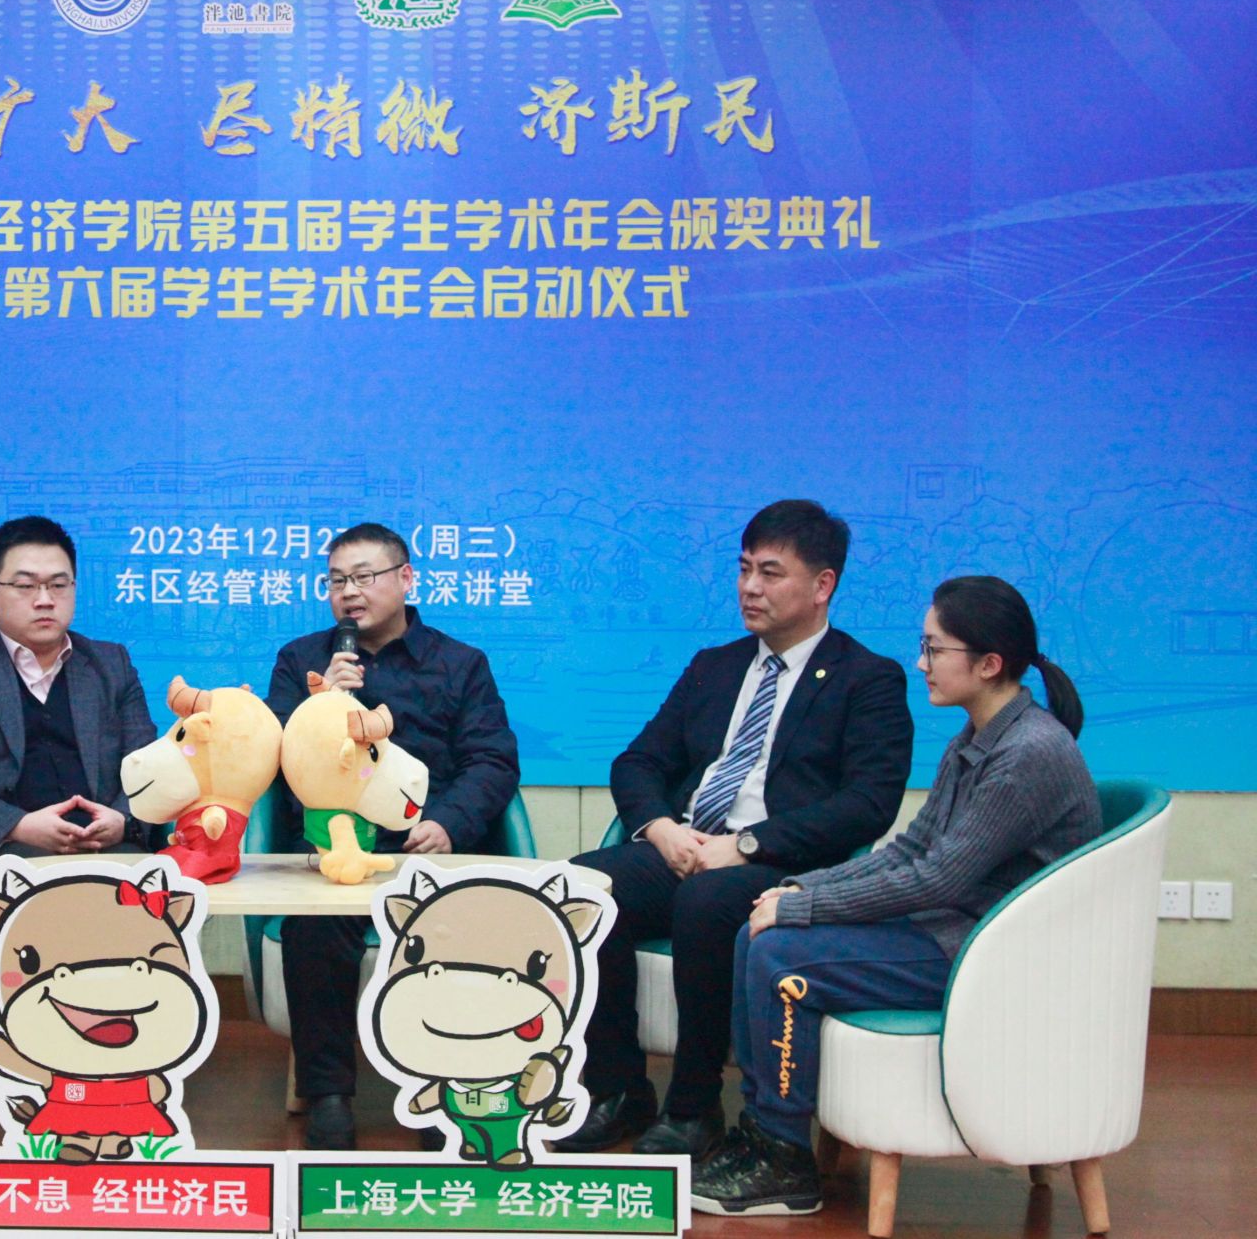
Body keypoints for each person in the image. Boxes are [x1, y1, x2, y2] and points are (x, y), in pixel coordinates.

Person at [691, 576, 1101, 1217]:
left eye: (935, 649)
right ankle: (763, 1133)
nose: (921, 662)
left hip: (987, 955)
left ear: (989, 664)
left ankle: (784, 1161)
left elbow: (939, 879)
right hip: (954, 931)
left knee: (779, 955)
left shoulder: (1028, 753)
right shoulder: (979, 738)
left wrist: (803, 907)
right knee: (757, 932)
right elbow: (912, 850)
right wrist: (797, 888)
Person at [566, 500, 913, 1158]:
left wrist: (747, 845)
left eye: (770, 572)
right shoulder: (715, 666)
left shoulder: (866, 679)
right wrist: (662, 829)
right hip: (687, 845)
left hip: (781, 863)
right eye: (744, 568)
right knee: (581, 887)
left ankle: (694, 1107)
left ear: (823, 585)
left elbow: (868, 803)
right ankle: (616, 1089)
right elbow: (638, 762)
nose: (750, 587)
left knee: (707, 902)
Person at [265, 523, 521, 1152]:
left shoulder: (461, 663)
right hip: (333, 852)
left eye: (364, 577)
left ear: (406, 579)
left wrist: (448, 823)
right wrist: (322, 707)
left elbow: (493, 761)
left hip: (426, 851)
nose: (349, 593)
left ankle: (445, 1085)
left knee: (454, 934)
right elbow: (271, 759)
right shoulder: (301, 661)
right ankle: (329, 1095)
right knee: (314, 928)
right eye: (336, 581)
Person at [0, 515, 158, 925]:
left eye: (58, 585)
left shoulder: (111, 663)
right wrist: (18, 825)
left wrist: (122, 819)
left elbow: (150, 768)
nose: (44, 600)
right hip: (2, 861)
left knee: (159, 896)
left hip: (107, 855)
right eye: (25, 586)